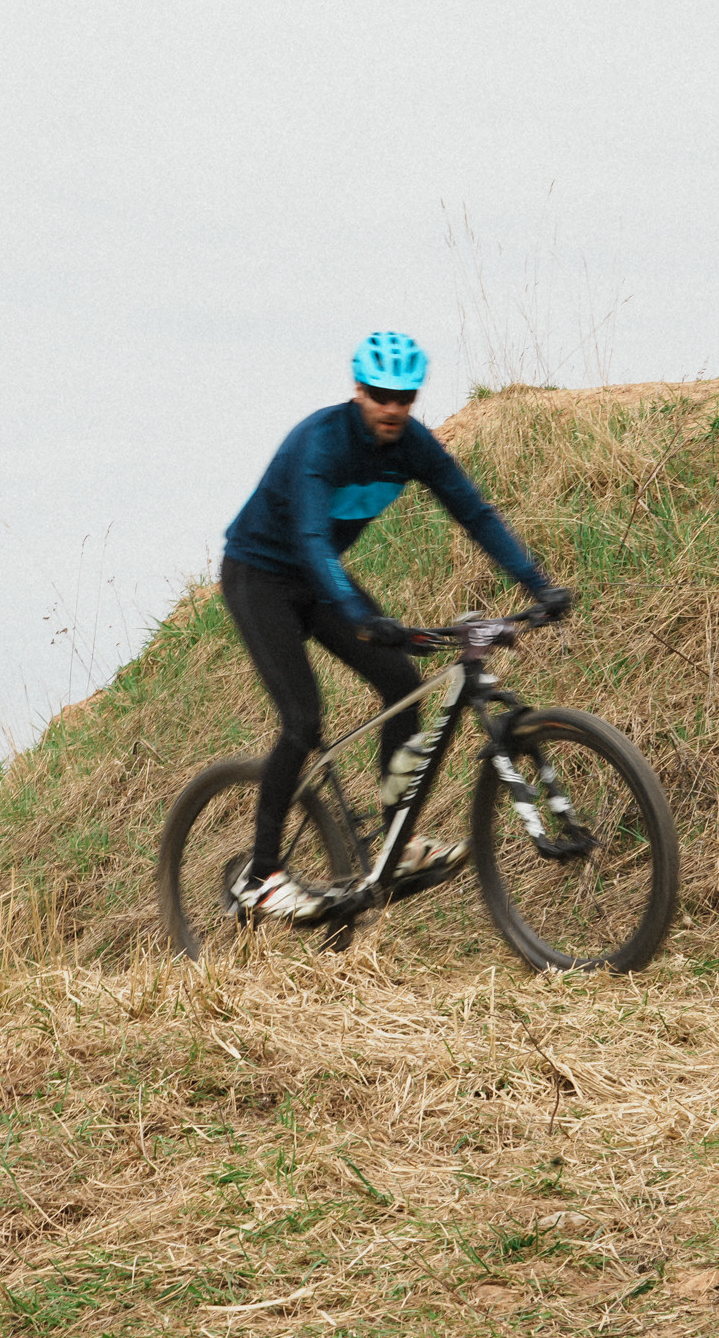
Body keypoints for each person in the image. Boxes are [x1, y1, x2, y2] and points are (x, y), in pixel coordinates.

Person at [219, 330, 571, 922]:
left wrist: (537, 584)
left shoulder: (414, 447)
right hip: (260, 576)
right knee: (303, 720)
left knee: (403, 683)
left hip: (318, 579)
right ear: (359, 391)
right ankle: (261, 875)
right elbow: (308, 538)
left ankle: (395, 845)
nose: (392, 407)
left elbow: (474, 513)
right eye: (381, 394)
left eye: (404, 397)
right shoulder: (321, 443)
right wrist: (360, 618)